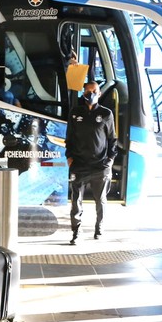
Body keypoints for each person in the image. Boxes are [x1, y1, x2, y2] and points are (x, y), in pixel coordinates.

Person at [65, 81, 117, 243]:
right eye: (87, 91)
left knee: (100, 200)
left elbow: (112, 139)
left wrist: (110, 160)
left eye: (94, 91)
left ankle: (99, 228)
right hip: (79, 165)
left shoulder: (106, 114)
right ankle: (76, 231)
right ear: (83, 93)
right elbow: (69, 137)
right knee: (76, 201)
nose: (90, 94)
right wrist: (69, 157)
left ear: (99, 94)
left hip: (100, 166)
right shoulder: (75, 113)